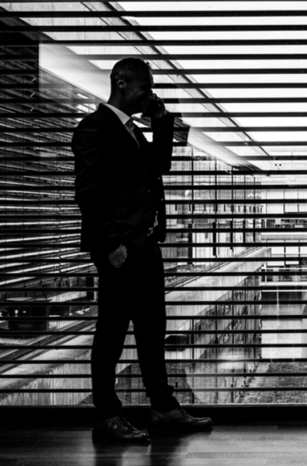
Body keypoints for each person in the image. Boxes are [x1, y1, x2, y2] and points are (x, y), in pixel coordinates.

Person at [72, 57, 212, 443]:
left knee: (152, 330)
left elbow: (161, 164)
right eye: (146, 87)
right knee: (112, 333)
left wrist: (161, 116)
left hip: (145, 247)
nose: (150, 94)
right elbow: (88, 192)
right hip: (120, 250)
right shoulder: (94, 128)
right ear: (121, 82)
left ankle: (163, 407)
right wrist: (111, 245)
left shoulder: (132, 130)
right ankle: (106, 415)